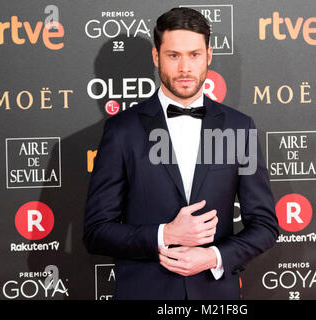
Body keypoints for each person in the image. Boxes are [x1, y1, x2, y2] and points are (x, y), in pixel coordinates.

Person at [83, 7, 278, 300]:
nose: (185, 68)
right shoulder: (122, 130)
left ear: (209, 56)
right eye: (174, 55)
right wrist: (166, 235)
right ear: (156, 57)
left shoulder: (239, 127)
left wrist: (214, 257)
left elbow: (264, 226)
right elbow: (96, 231)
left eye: (194, 55)